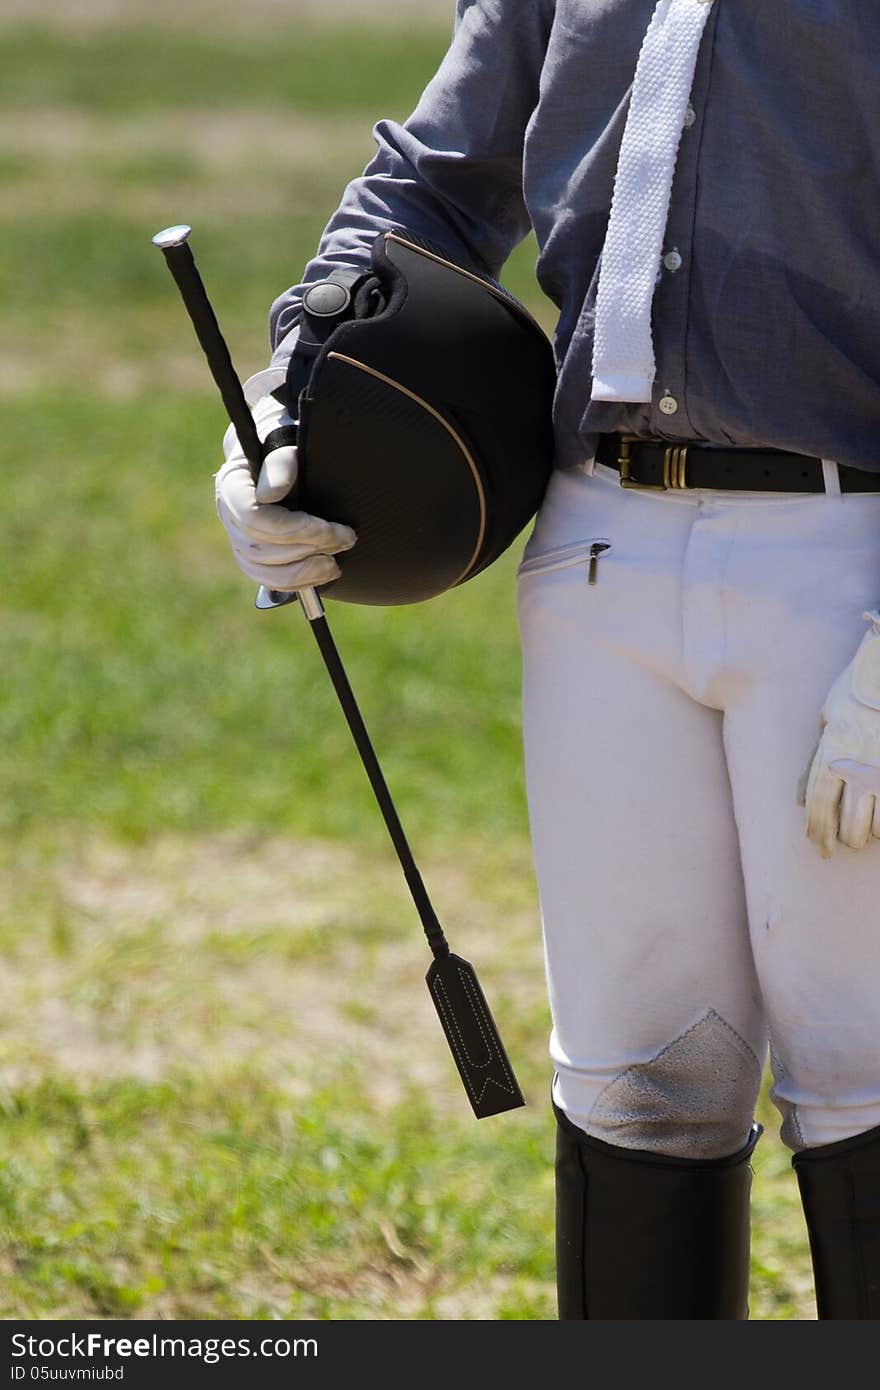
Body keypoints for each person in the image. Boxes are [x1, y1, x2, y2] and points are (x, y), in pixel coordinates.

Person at [214, 0, 880, 1319]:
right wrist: (294, 389)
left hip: (848, 559)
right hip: (597, 554)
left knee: (865, 1082)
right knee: (638, 1086)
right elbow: (435, 178)